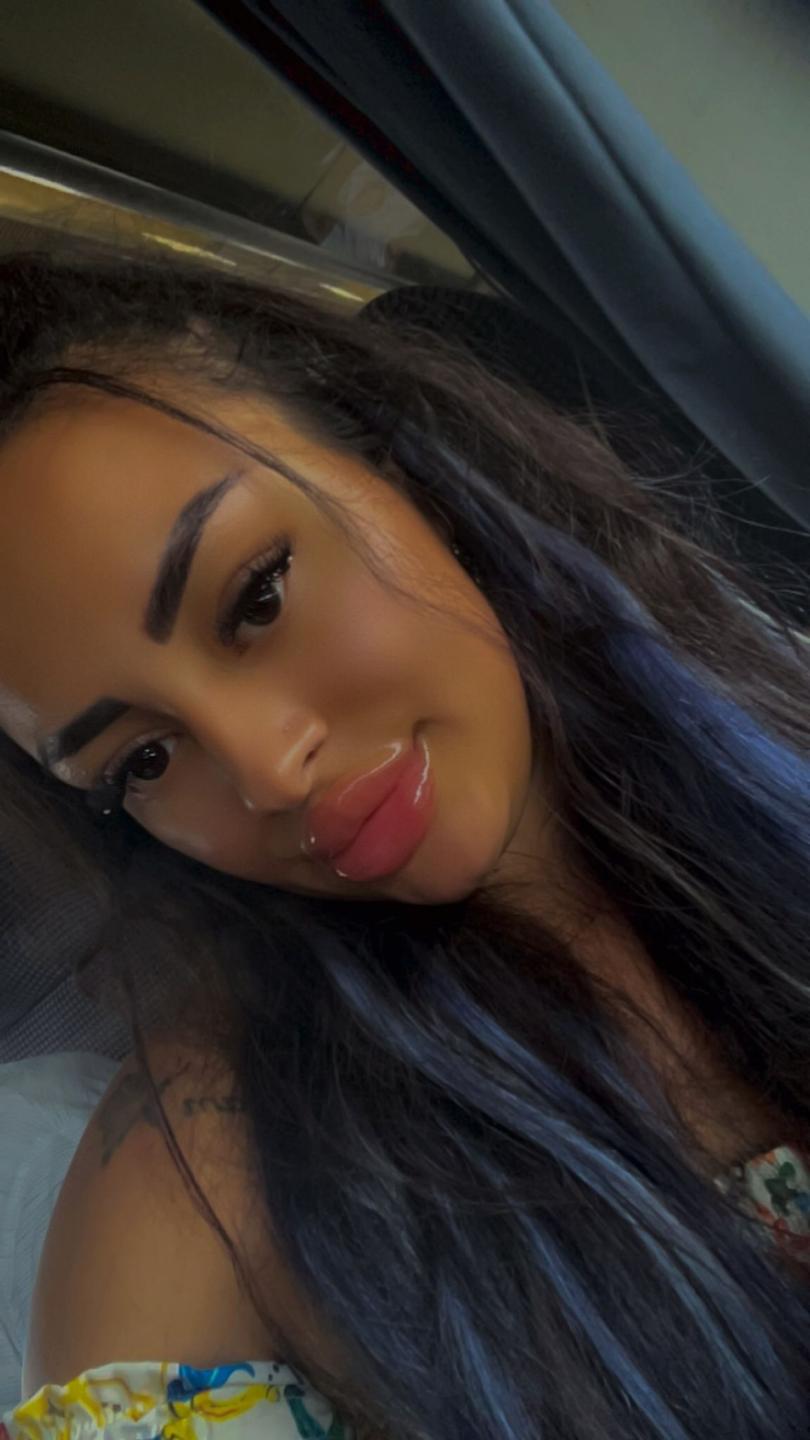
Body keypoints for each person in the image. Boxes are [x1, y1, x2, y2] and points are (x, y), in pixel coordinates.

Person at [0, 251, 808, 1440]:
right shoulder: (208, 1184)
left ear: (397, 464)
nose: (269, 772)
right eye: (144, 762)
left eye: (258, 597)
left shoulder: (768, 720)